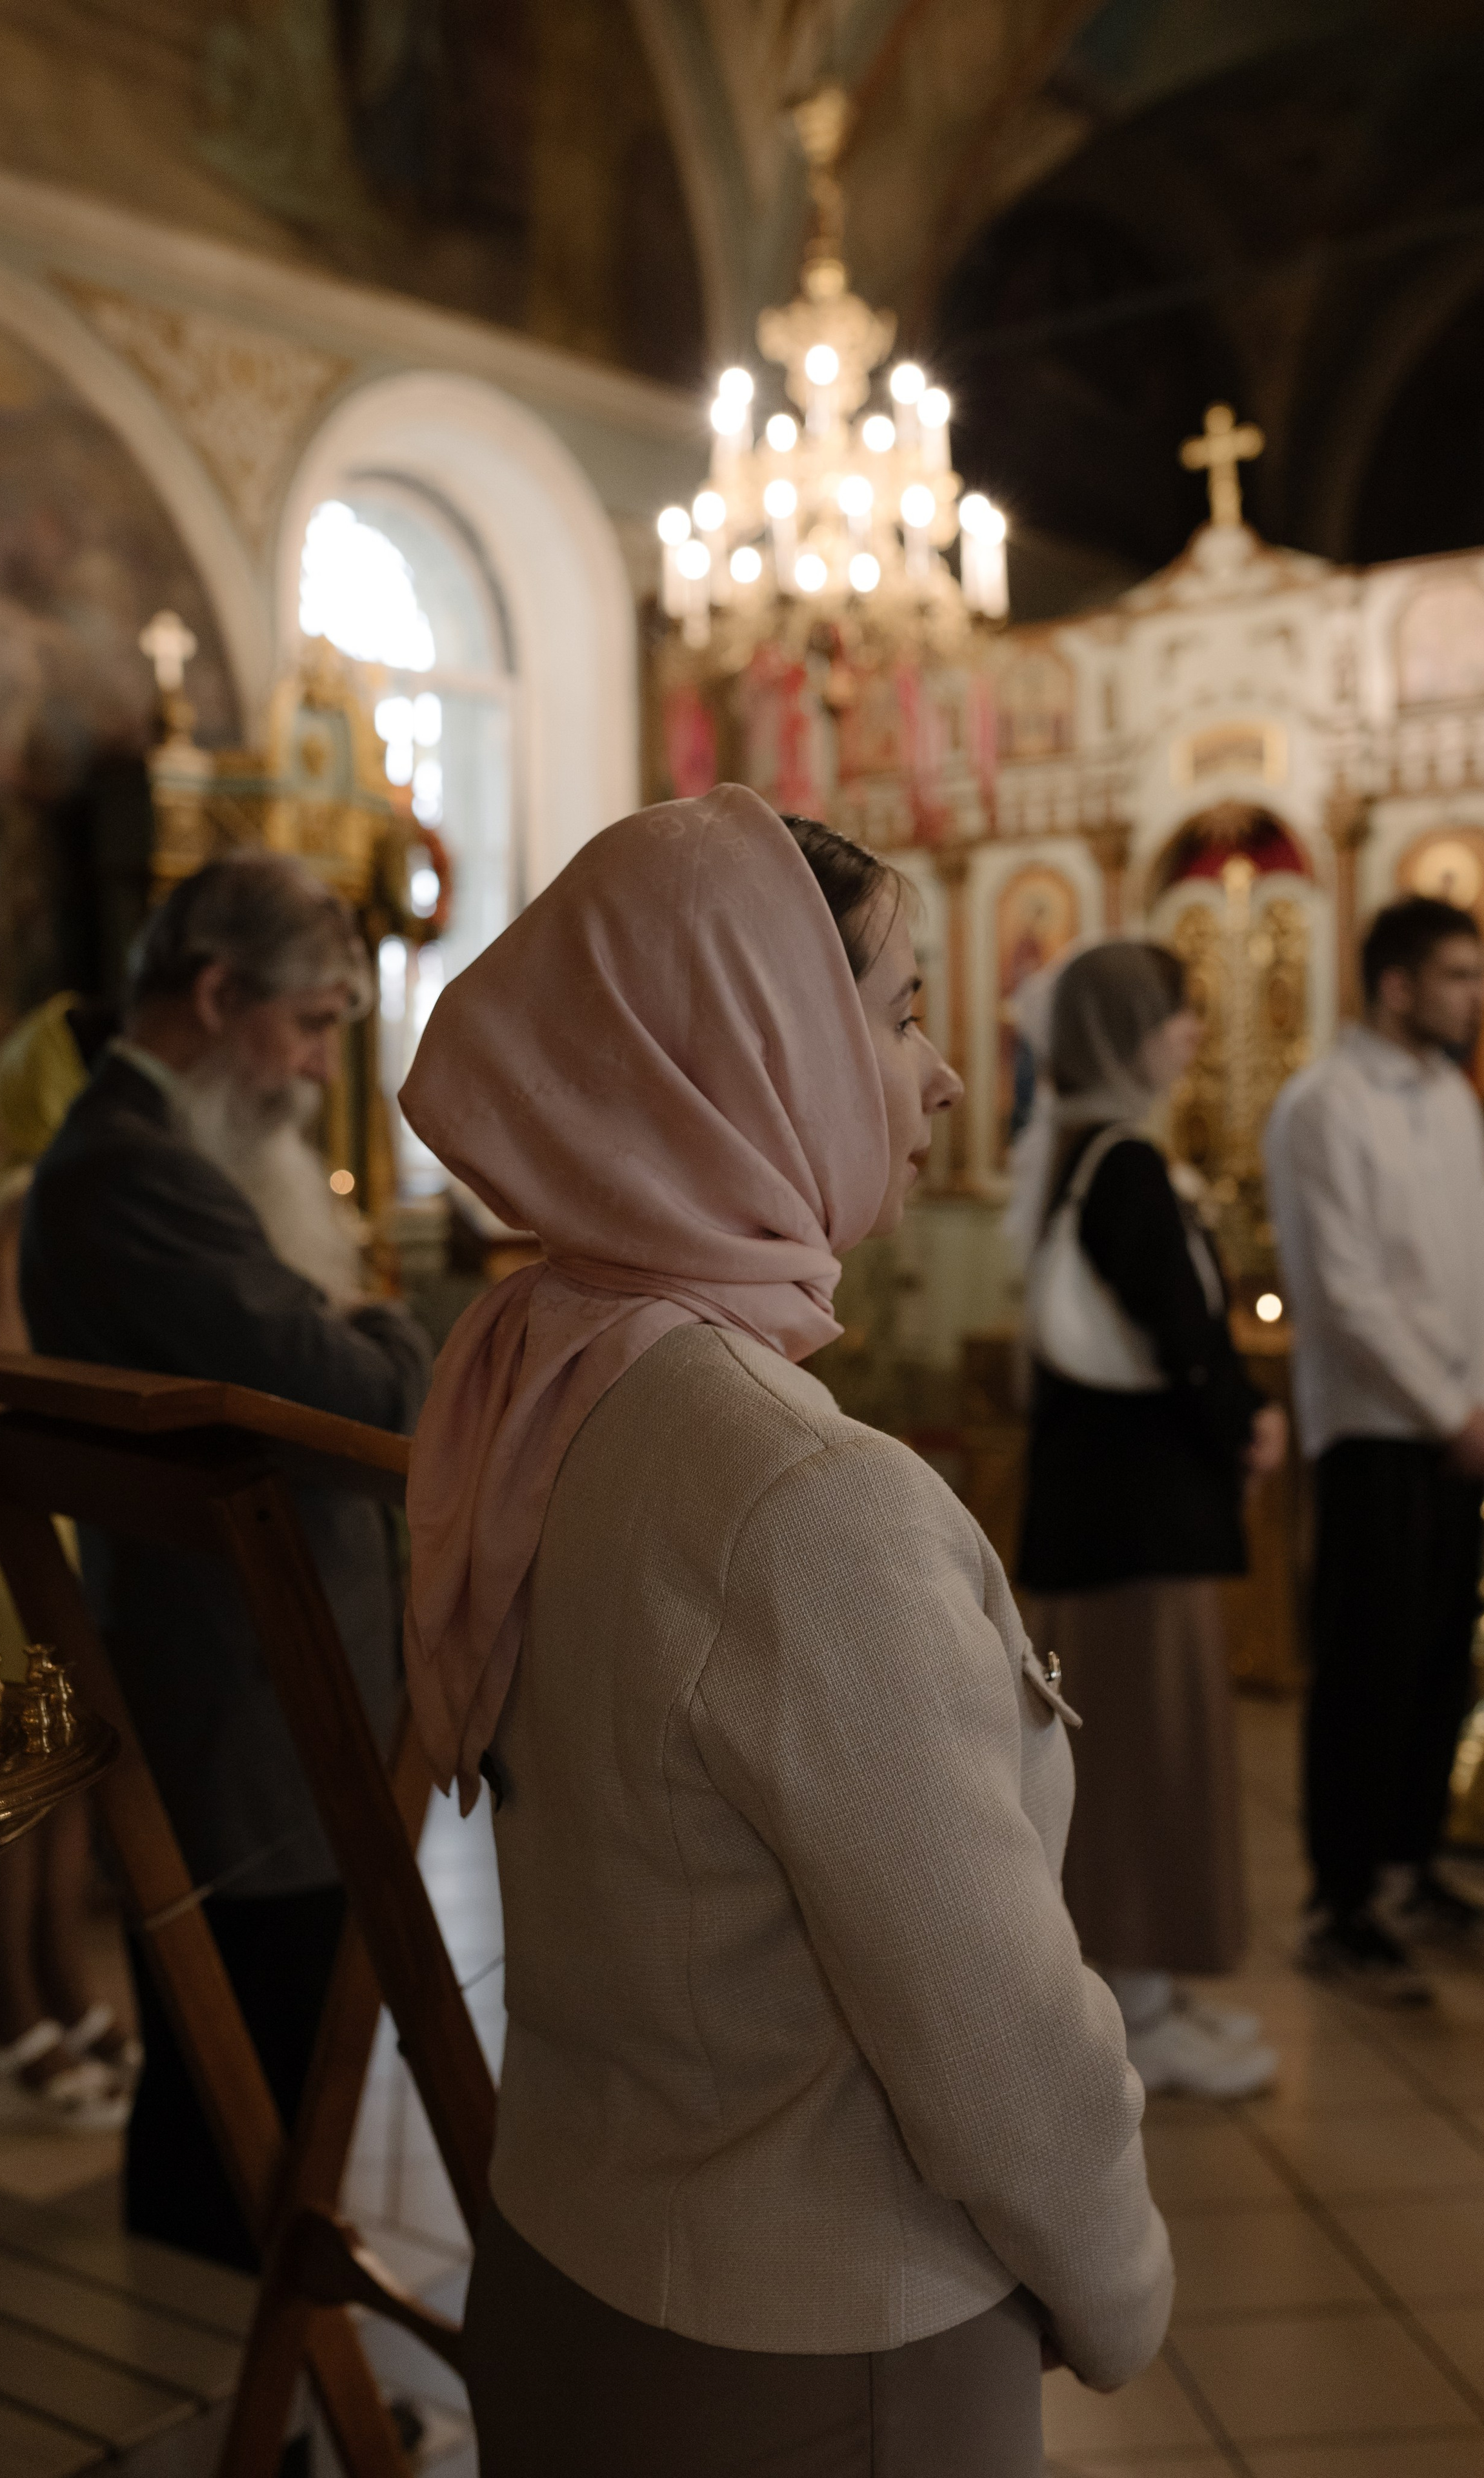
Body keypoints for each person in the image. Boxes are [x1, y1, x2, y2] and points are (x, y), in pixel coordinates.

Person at [400, 789, 1172, 2478]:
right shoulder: (805, 1496)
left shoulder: (542, 1367)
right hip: (814, 2368)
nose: (947, 1073)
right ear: (743, 1049)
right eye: (897, 1013)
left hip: (568, 2275)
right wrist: (1123, 2294)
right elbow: (995, 2050)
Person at [18, 852, 432, 2264]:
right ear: (215, 992)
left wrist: (348, 1319)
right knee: (240, 2087)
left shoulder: (167, 1155)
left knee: (269, 2077)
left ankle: (273, 2385)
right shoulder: (133, 1172)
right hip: (243, 1708)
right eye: (310, 1023)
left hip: (264, 1686)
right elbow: (360, 1393)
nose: (321, 1065)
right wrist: (382, 1322)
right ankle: (244, 2399)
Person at [1009, 941, 1286, 2099]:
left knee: (1139, 1756)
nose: (1189, 1036)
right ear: (1126, 1031)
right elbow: (1182, 1330)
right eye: (1175, 1016)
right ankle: (1129, 2007)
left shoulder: (1089, 1149)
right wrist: (1247, 1421)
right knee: (1133, 1761)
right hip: (1132, 1520)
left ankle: (1155, 1995)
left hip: (1113, 1511)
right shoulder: (1121, 1164)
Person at [1264, 893, 1484, 2002]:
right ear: (1397, 985)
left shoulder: (1454, 1101)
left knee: (1437, 1661)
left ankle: (1417, 1870)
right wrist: (1446, 1407)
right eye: (1459, 976)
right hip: (1376, 1430)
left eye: (1479, 975)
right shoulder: (1325, 1105)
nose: (1477, 996)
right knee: (1367, 1665)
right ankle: (1343, 1902)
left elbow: (1482, 1268)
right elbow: (1345, 1293)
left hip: (1458, 1426)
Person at [0, 991, 137, 2135]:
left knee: (69, 1781)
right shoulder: (30, 1200)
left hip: (62, 1509)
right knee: (16, 1794)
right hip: (21, 1516)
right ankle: (11, 2019)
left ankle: (65, 1992)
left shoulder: (62, 1196)